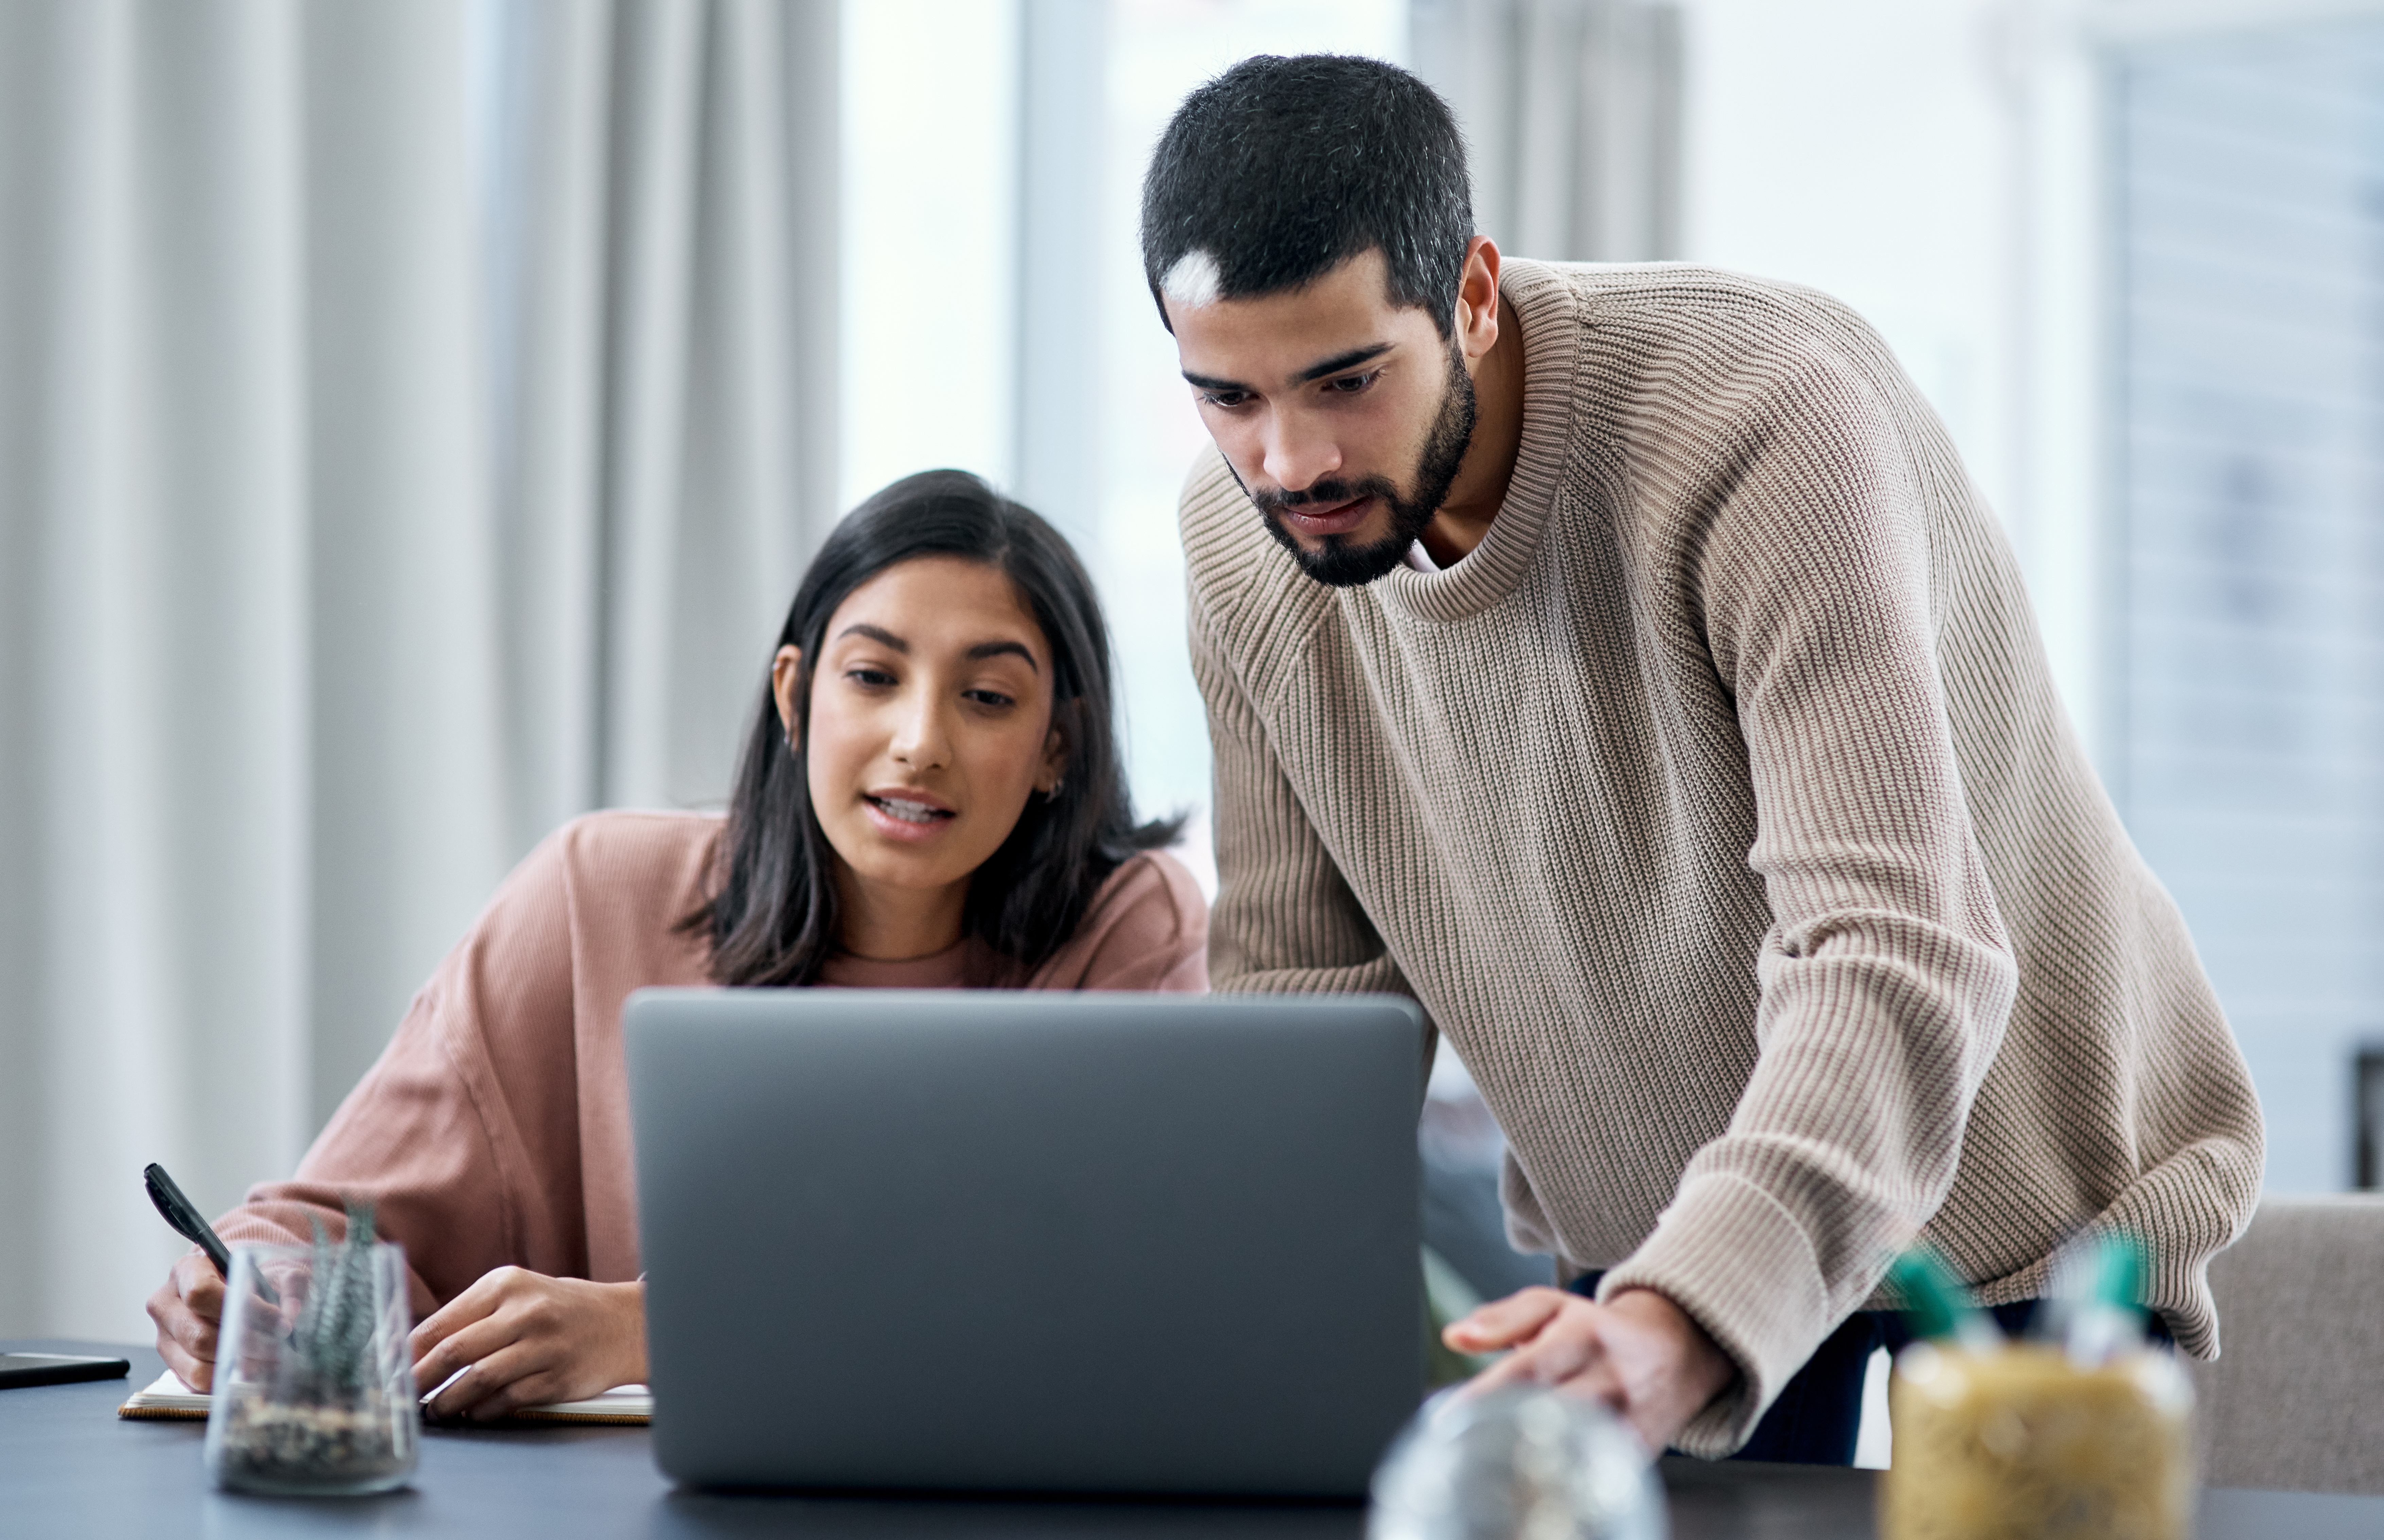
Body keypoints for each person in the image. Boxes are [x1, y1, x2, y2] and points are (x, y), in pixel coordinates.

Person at [1144, 55, 2262, 1463]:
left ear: (1473, 295)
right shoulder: (1245, 550)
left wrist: (1686, 1308)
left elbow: (1892, 946)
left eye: (1347, 381)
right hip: (1646, 1255)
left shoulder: (1758, 416)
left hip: (2022, 1243)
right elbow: (1310, 1010)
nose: (1290, 460)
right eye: (1226, 399)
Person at [148, 470, 1206, 1419]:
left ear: (1054, 746)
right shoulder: (594, 894)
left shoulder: (1128, 928)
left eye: (985, 698)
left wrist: (644, 1328)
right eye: (873, 678)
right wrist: (247, 1292)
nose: (919, 741)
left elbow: (1100, 1292)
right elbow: (338, 1227)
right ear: (795, 696)